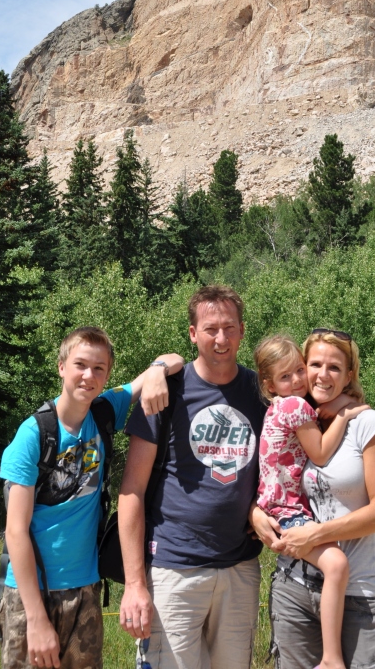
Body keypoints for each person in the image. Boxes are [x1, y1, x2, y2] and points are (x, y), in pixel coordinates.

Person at [0, 327, 184, 669]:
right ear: (61, 367)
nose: (89, 376)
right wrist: (37, 619)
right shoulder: (33, 435)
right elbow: (15, 532)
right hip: (31, 595)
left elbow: (175, 359)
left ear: (108, 373)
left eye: (99, 368)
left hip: (85, 588)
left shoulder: (105, 410)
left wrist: (157, 371)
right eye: (80, 365)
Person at [117, 285, 276, 669]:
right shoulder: (166, 392)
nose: (220, 339)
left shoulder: (260, 393)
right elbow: (132, 491)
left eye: (229, 327)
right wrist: (136, 584)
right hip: (174, 567)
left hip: (240, 567)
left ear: (241, 330)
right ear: (192, 334)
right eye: (210, 329)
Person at [251, 328, 375, 669]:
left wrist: (317, 533)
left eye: (334, 367)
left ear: (350, 375)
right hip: (294, 585)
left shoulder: (368, 424)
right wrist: (254, 514)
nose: (320, 374)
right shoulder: (299, 416)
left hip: (355, 591)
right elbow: (267, 473)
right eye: (313, 363)